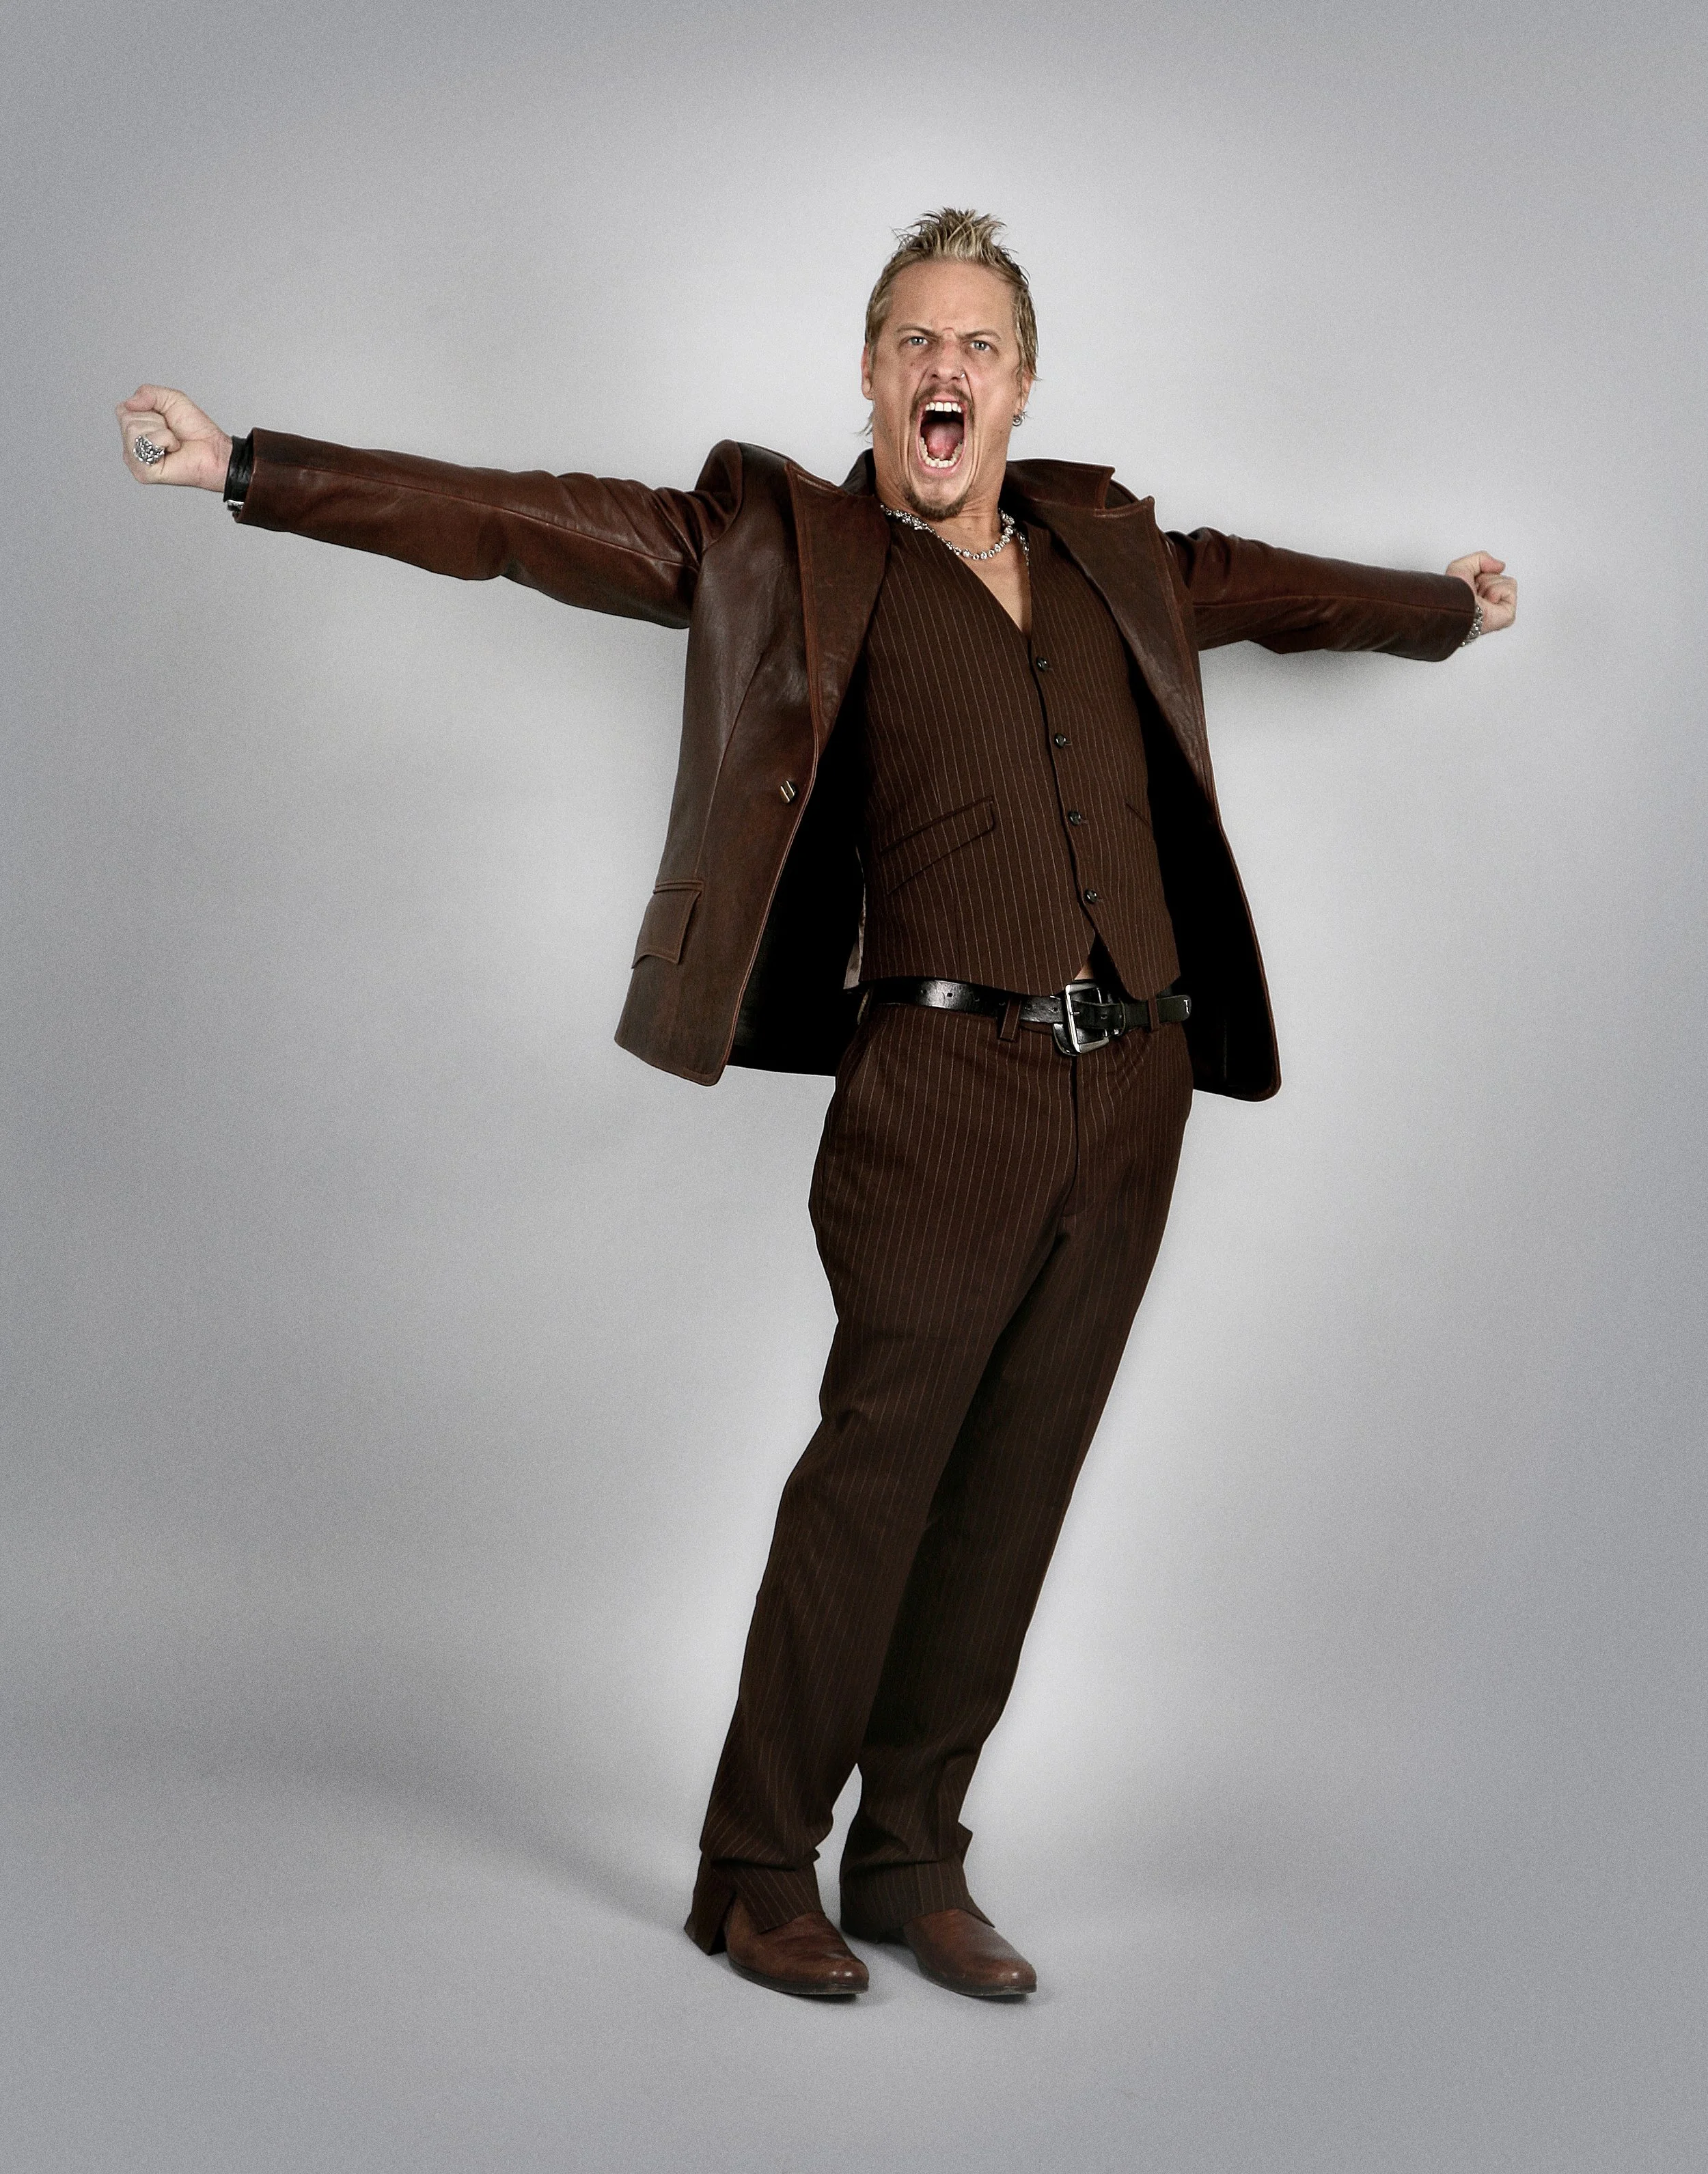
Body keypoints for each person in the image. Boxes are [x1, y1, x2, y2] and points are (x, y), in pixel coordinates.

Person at [116, 208, 1516, 2003]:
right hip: (939, 1089)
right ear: (870, 373)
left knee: (1015, 1490)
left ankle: (912, 1856)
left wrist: (1448, 616)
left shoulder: (1110, 549)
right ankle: (751, 1865)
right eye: (914, 341)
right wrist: (252, 465)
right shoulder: (782, 544)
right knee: (878, 1481)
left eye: (979, 346)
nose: (947, 369)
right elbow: (517, 520)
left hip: (1136, 1088)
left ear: (1021, 384)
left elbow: (1294, 593)